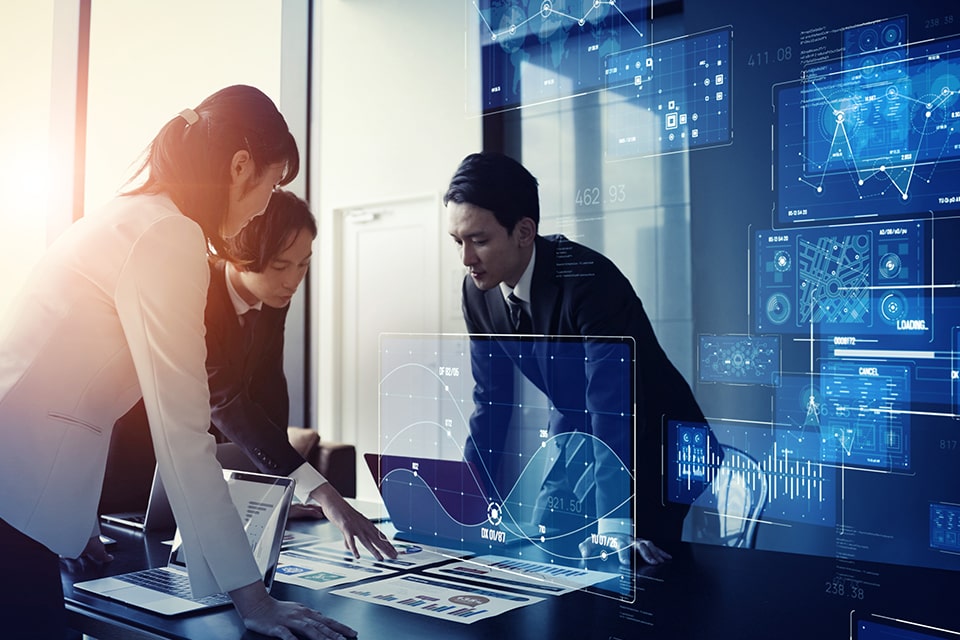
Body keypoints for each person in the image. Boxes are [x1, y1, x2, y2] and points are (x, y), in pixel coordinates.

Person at [0, 85, 355, 639]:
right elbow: (184, 438)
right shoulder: (170, 235)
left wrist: (69, 523)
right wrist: (254, 601)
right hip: (12, 503)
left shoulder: (133, 215)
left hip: (20, 495)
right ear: (241, 167)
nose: (268, 204)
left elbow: (63, 391)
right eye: (273, 182)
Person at [444, 151, 719, 565]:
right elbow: (491, 401)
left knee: (634, 573)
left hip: (659, 441)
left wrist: (614, 525)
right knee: (547, 545)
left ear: (523, 231)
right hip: (576, 433)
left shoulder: (590, 281)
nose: (466, 259)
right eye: (458, 241)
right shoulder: (477, 293)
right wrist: (461, 500)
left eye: (478, 241)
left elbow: (614, 406)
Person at [204, 188, 397, 559]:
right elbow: (225, 398)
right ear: (242, 256)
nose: (293, 281)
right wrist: (326, 494)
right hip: (139, 453)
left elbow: (269, 388)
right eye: (280, 266)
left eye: (303, 265)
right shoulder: (199, 289)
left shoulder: (274, 298)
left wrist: (282, 488)